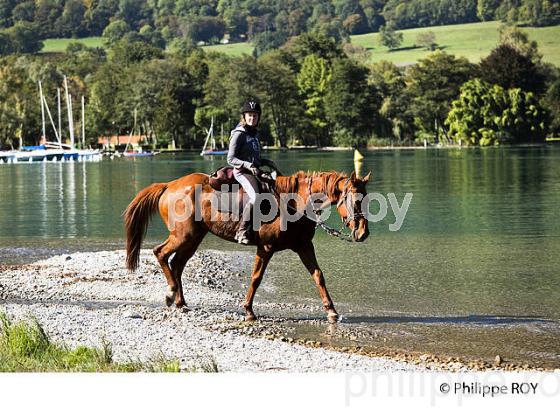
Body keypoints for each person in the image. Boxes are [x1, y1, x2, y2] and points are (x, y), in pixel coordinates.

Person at [227, 99, 278, 244]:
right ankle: (241, 231)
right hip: (241, 172)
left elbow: (255, 158)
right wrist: (248, 165)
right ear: (244, 116)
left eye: (255, 115)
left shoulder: (254, 134)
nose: (252, 118)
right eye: (249, 115)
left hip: (254, 171)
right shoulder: (239, 133)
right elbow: (230, 159)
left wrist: (267, 162)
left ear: (258, 118)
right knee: (255, 198)